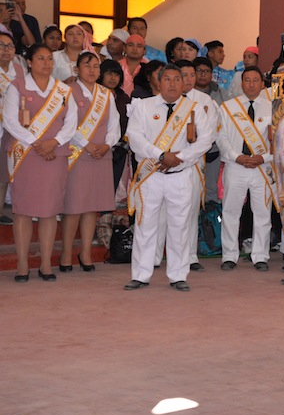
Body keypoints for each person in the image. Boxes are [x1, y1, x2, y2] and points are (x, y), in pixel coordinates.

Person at [124, 66, 210, 292]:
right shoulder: (143, 106)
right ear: (158, 83)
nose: (172, 84)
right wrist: (160, 156)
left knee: (179, 226)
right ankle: (141, 274)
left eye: (177, 79)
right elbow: (135, 138)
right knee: (145, 225)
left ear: (183, 84)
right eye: (167, 79)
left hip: (181, 175)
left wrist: (178, 158)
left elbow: (205, 141)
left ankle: (178, 275)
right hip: (152, 175)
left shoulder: (194, 109)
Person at [3, 44, 77, 282]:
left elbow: (71, 123)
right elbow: (10, 121)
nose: (46, 63)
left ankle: (46, 264)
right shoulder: (17, 86)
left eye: (49, 59)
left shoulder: (63, 90)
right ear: (29, 62)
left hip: (54, 154)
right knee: (23, 210)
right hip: (25, 154)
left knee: (49, 211)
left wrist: (53, 142)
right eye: (41, 58)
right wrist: (37, 143)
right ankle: (22, 265)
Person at [59, 52, 120, 273]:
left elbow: (115, 125)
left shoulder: (106, 94)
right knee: (73, 206)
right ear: (77, 69)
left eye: (96, 66)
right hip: (77, 155)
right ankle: (66, 252)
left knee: (91, 207)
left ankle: (85, 252)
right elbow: (67, 124)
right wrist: (86, 144)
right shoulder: (68, 91)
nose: (93, 70)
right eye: (88, 66)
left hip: (101, 155)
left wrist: (107, 144)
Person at [217, 67, 273, 272]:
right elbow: (221, 138)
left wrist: (264, 157)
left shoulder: (272, 107)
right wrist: (236, 157)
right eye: (247, 80)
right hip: (235, 165)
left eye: (255, 80)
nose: (251, 84)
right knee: (230, 211)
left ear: (262, 83)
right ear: (242, 83)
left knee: (262, 212)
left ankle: (260, 255)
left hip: (263, 166)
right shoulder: (228, 107)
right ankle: (229, 255)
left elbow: (279, 141)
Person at [0, 31, 28, 226]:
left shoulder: (19, 69)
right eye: (1, 46)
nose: (6, 50)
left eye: (10, 46)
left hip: (11, 127)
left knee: (4, 172)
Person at [99, 60, 130, 194]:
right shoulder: (95, 94)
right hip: (97, 146)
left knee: (112, 184)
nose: (113, 78)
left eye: (116, 74)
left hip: (118, 147)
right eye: (109, 74)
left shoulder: (124, 98)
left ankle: (107, 213)